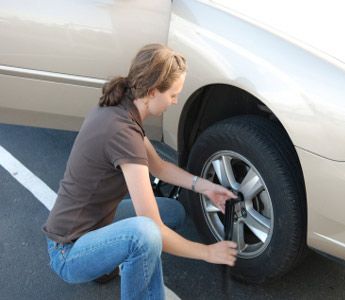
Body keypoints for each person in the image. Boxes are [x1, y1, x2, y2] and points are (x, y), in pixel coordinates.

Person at [42, 43, 238, 300]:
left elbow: (159, 167)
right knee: (145, 235)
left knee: (172, 212)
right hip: (68, 250)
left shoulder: (123, 106)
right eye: (173, 94)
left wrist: (205, 186)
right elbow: (153, 226)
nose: (176, 101)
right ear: (153, 91)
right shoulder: (122, 132)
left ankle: (112, 260)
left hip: (97, 222)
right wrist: (208, 253)